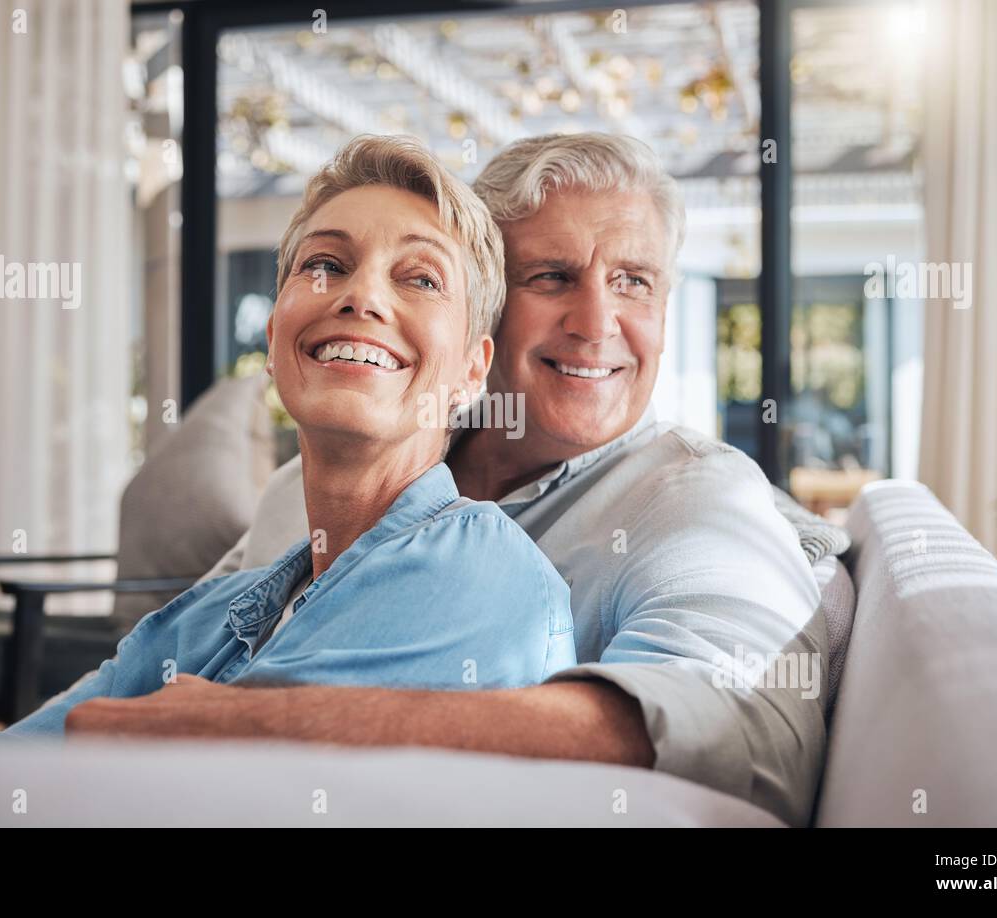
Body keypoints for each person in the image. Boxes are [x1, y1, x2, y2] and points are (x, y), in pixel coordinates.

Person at [64, 133, 828, 827]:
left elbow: (748, 742)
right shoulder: (298, 490)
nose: (597, 324)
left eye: (634, 283)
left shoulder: (696, 500)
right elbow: (185, 662)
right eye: (552, 276)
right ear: (480, 313)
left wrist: (250, 725)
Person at [1, 135, 577, 734]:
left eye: (422, 279)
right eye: (325, 265)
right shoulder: (200, 619)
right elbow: (2, 765)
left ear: (472, 370)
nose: (361, 296)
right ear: (275, 337)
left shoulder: (483, 575)